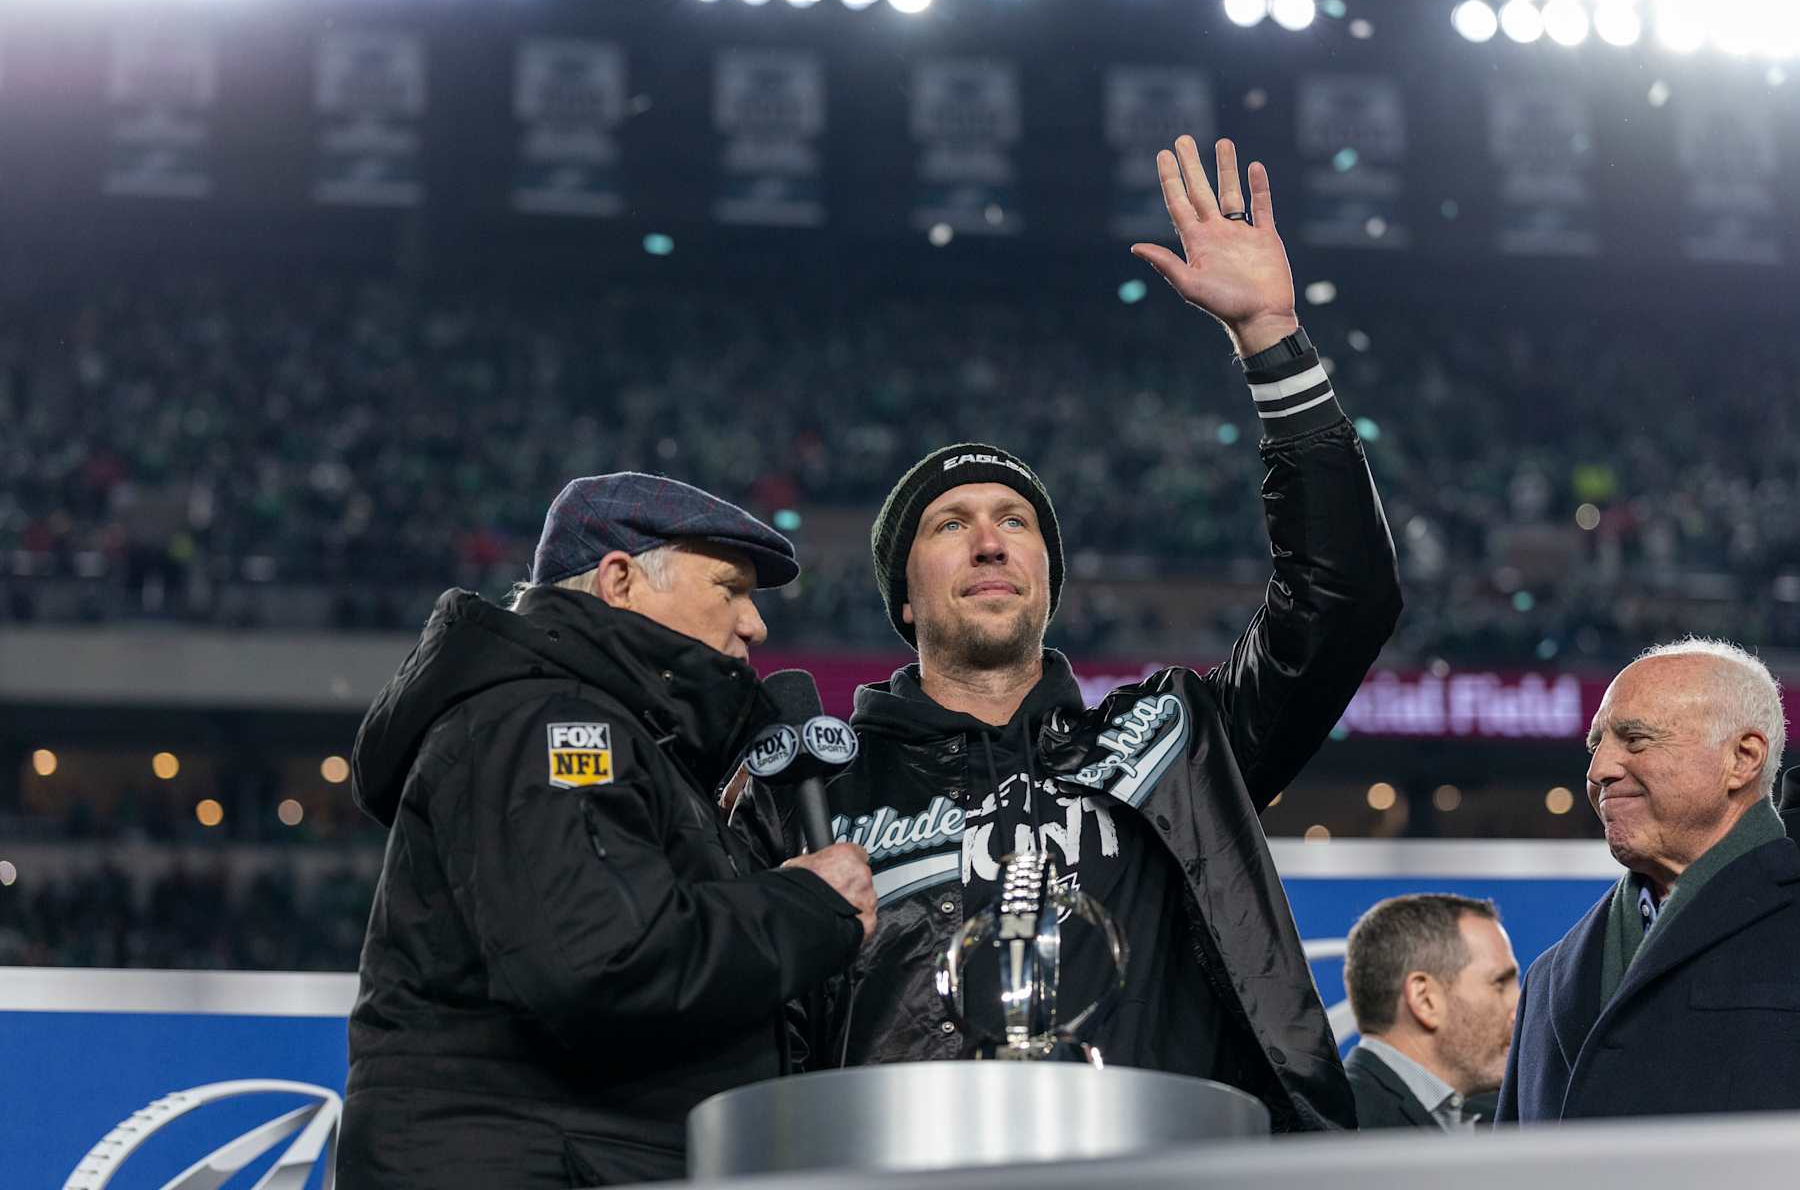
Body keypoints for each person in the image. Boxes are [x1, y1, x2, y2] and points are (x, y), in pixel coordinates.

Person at [734, 136, 1402, 1131]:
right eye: (950, 526)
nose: (991, 542)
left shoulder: (1175, 742)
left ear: (1050, 583)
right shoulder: (811, 796)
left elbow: (1343, 597)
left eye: (1018, 525)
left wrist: (1270, 339)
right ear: (903, 598)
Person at [337, 473, 877, 1188]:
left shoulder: (627, 739)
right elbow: (602, 962)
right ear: (621, 580)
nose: (755, 624)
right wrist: (806, 906)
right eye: (728, 587)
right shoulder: (546, 722)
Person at [1498, 638, 1800, 1123]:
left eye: (1636, 739)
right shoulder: (1546, 976)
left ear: (1743, 758)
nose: (1600, 771)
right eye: (1596, 745)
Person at [1341, 894, 1520, 1130]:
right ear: (1425, 1000)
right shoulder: (1335, 1127)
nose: (1519, 1011)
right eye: (1500, 984)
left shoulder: (1509, 1114)